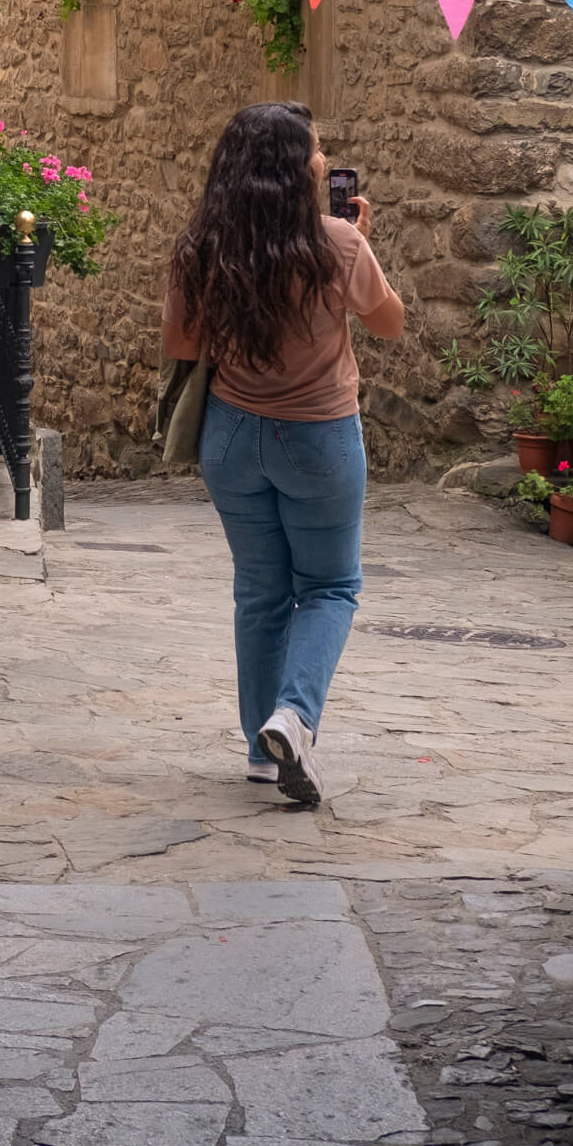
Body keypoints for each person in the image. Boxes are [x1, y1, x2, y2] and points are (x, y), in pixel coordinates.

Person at [162, 102, 405, 807]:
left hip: (231, 437)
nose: (324, 160)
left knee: (260, 590)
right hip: (317, 438)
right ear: (295, 167)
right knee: (330, 587)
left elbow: (180, 344)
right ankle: (294, 717)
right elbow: (389, 324)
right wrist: (359, 247)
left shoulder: (201, 248)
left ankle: (260, 752)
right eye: (317, 149)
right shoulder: (338, 244)